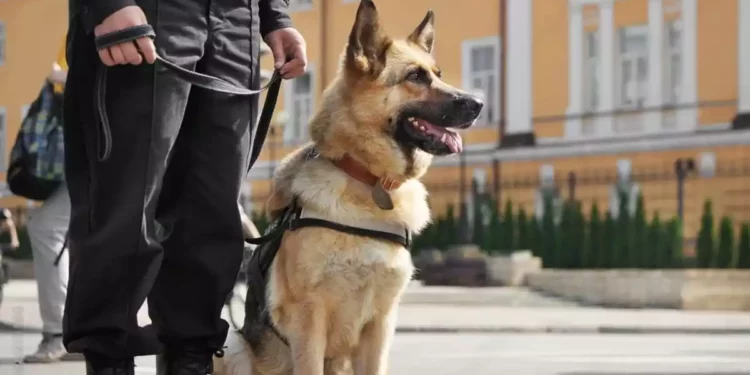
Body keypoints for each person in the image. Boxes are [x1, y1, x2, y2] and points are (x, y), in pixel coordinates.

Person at [61, 0, 307, 374]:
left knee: (212, 209)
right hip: (147, 11)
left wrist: (275, 15)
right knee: (124, 208)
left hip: (238, 22)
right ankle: (109, 361)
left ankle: (191, 359)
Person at [22, 42, 83, 364]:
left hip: (107, 152)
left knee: (46, 227)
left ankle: (61, 334)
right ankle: (80, 334)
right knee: (84, 237)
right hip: (97, 150)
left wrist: (58, 76)